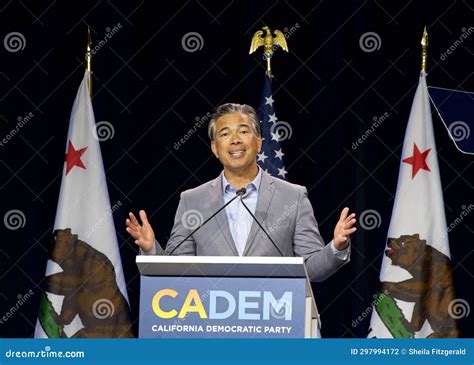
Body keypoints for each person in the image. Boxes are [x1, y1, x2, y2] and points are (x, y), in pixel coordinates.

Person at [126, 103, 356, 282]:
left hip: (277, 323)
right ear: (215, 149)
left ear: (258, 142)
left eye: (243, 131)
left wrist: (336, 246)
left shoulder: (293, 197)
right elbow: (178, 271)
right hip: (212, 325)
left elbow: (312, 270)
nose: (235, 140)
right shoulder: (192, 201)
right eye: (225, 134)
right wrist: (152, 250)